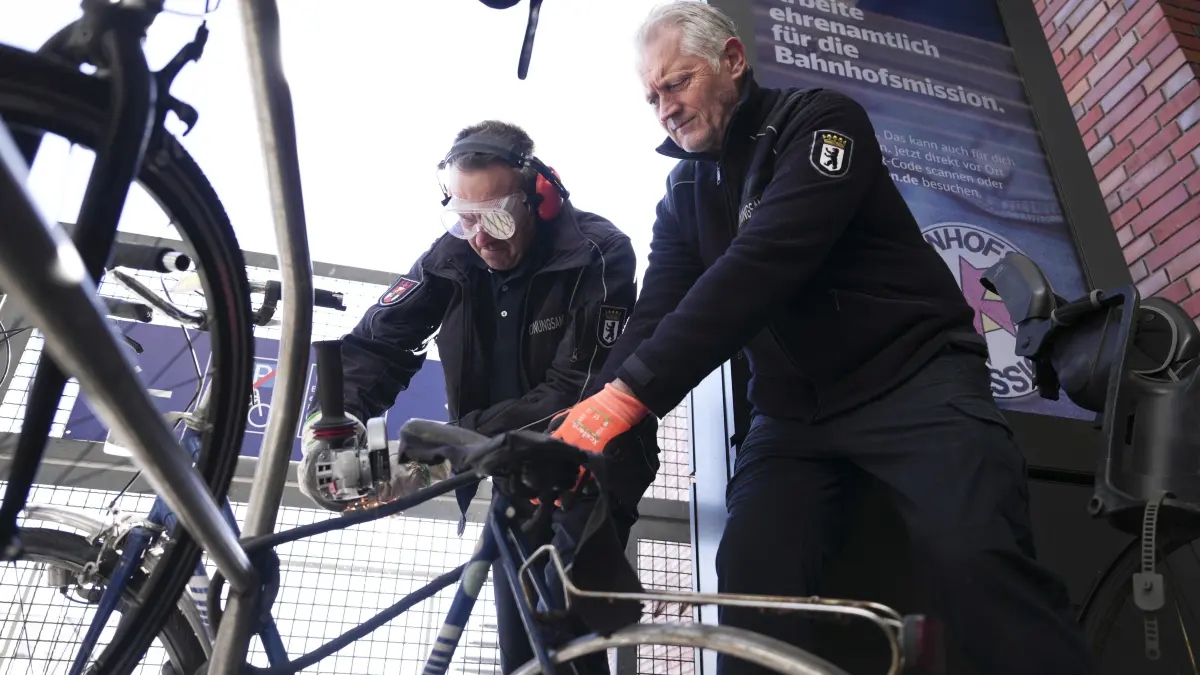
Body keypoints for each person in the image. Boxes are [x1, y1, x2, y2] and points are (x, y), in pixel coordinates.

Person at [548, 3, 1097, 675]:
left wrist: (633, 390)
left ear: (730, 60)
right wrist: (599, 412)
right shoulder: (682, 193)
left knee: (972, 551)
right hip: (793, 418)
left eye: (678, 82)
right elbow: (656, 315)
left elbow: (764, 262)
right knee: (749, 576)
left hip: (914, 377)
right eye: (652, 96)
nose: (665, 107)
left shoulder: (821, 122)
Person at [299, 120, 660, 674]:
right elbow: (378, 342)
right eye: (463, 218)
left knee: (562, 634)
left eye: (494, 216)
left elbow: (575, 390)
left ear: (538, 199)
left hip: (591, 462)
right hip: (508, 464)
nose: (480, 238)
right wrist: (334, 422)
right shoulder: (454, 254)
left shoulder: (598, 251)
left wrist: (440, 453)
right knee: (523, 655)